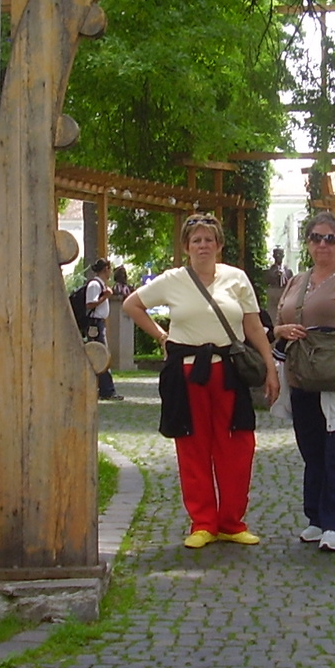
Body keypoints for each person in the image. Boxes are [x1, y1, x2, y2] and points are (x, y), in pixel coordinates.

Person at [124, 212, 279, 548]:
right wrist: (162, 336)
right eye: (197, 240)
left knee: (237, 445)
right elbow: (131, 304)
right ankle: (203, 522)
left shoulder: (236, 279)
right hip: (188, 373)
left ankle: (232, 522)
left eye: (209, 239)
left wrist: (270, 366)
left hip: (230, 372)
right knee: (193, 446)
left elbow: (252, 326)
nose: (203, 245)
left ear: (219, 245)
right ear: (186, 247)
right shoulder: (172, 280)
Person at [273, 211, 335, 553]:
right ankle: (315, 517)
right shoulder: (297, 281)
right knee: (312, 450)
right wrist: (281, 331)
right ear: (308, 243)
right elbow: (278, 322)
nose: (322, 244)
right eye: (316, 238)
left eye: (329, 238)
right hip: (302, 377)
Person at [84, 258, 122, 401]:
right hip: (95, 324)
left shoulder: (100, 284)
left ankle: (104, 388)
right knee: (101, 356)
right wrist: (105, 296)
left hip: (99, 323)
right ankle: (106, 390)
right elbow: (90, 304)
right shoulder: (95, 285)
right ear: (106, 269)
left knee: (101, 355)